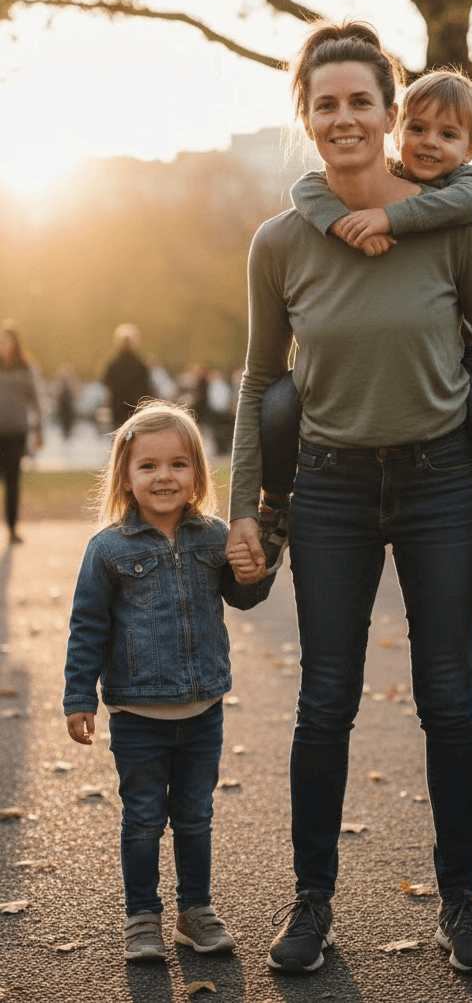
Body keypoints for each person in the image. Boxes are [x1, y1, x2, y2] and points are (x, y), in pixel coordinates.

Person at [227, 22, 472, 976]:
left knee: (449, 697)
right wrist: (244, 506)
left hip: (442, 482)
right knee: (325, 699)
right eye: (324, 103)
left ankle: (462, 900)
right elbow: (258, 383)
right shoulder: (279, 242)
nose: (344, 117)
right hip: (327, 489)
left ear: (389, 109)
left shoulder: (452, 224)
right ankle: (312, 900)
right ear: (306, 115)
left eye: (361, 100)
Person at [256, 69, 472, 596]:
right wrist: (338, 221)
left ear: (471, 149)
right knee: (278, 402)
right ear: (398, 130)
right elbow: (305, 187)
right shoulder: (312, 215)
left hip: (454, 362)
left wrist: (390, 219)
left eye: (448, 135)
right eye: (419, 129)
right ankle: (274, 505)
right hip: (334, 465)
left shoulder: (465, 192)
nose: (431, 143)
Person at [63, 402, 275, 962]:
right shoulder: (108, 549)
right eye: (149, 466)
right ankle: (141, 917)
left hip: (203, 710)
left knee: (195, 816)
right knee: (142, 820)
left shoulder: (215, 536)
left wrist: (256, 570)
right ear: (125, 478)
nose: (164, 477)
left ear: (198, 475)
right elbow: (88, 626)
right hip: (137, 714)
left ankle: (195, 911)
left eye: (179, 464)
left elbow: (244, 595)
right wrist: (79, 696)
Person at [0, 320, 43, 543]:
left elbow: (36, 400)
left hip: (16, 432)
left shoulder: (26, 368)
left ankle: (12, 527)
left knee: (12, 481)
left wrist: (40, 429)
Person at [103, 323, 152, 429]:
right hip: (134, 408)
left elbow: (106, 383)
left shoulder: (113, 363)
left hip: (119, 408)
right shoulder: (139, 363)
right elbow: (146, 388)